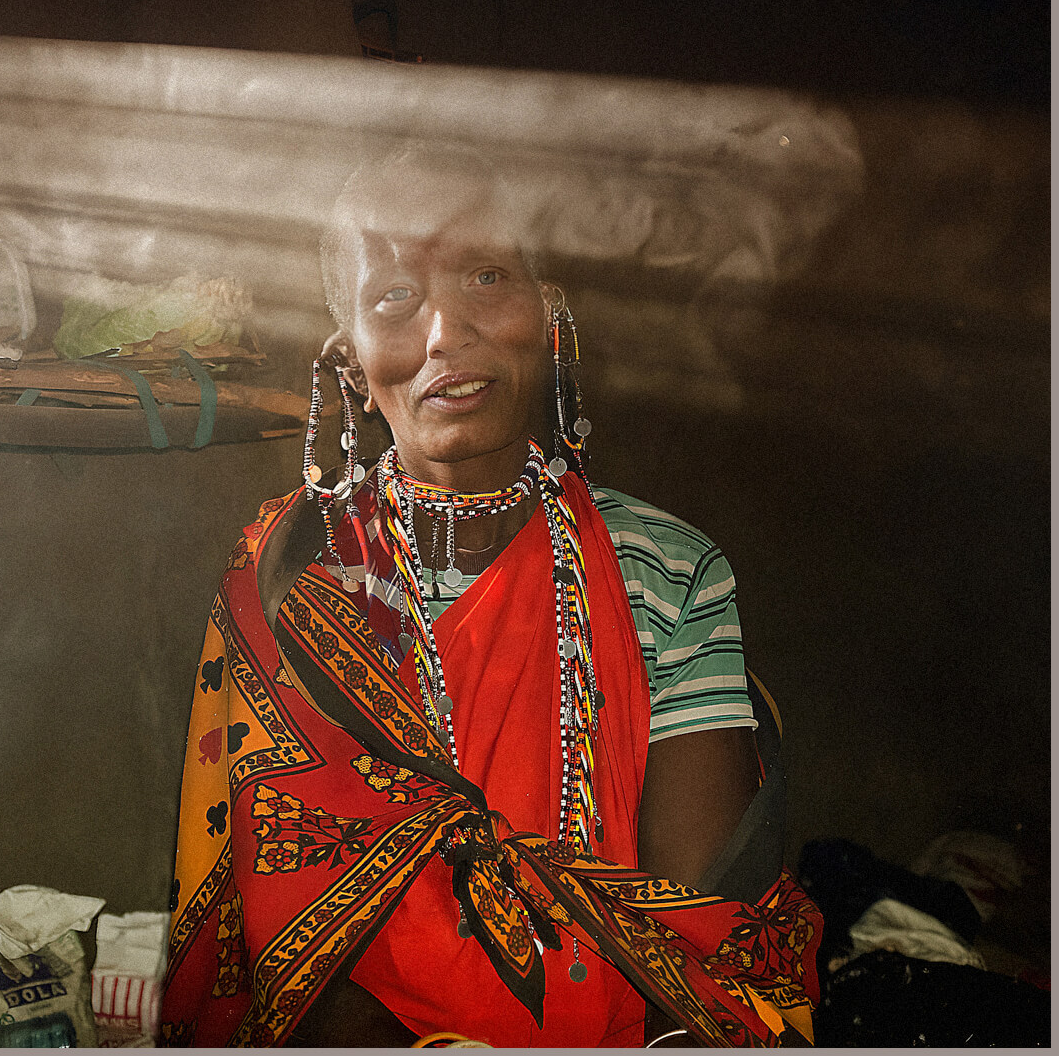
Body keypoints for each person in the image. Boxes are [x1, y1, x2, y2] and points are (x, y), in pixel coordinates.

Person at [159, 143, 822, 1047]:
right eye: (394, 298)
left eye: (484, 275)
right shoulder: (288, 582)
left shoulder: (668, 570)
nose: (444, 333)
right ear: (350, 361)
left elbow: (695, 943)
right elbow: (289, 950)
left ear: (549, 316)